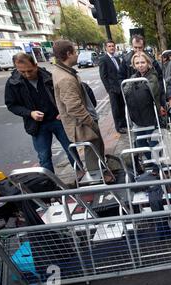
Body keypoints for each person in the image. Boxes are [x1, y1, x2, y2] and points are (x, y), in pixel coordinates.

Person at [4, 53, 78, 174]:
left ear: (36, 65)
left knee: (70, 149)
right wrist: (30, 113)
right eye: (22, 72)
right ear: (16, 68)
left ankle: (79, 173)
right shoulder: (13, 83)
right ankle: (50, 183)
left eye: (30, 70)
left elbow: (62, 94)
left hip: (57, 119)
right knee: (44, 156)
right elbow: (11, 105)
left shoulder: (48, 76)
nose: (27, 75)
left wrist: (62, 111)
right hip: (37, 125)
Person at [51, 40, 110, 180]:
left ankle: (100, 173)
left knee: (94, 147)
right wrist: (91, 122)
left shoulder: (61, 71)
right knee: (92, 149)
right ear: (68, 53)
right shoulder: (65, 78)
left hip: (80, 121)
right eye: (75, 52)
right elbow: (74, 107)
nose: (77, 55)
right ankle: (98, 178)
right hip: (81, 124)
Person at [122, 51, 162, 160]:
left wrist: (134, 90)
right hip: (137, 117)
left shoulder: (152, 76)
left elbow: (146, 94)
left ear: (148, 63)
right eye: (137, 63)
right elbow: (125, 92)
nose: (140, 65)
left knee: (153, 141)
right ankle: (150, 161)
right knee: (140, 143)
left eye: (143, 62)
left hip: (150, 116)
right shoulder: (133, 77)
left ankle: (157, 164)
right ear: (134, 65)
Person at [120, 34, 165, 106]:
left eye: (140, 48)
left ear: (143, 46)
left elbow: (160, 80)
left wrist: (161, 102)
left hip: (150, 101)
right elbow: (121, 79)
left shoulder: (152, 61)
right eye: (135, 47)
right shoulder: (126, 60)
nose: (137, 50)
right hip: (133, 101)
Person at [99, 39, 126, 134]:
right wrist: (109, 89)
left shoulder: (117, 59)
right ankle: (119, 127)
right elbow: (103, 76)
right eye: (109, 46)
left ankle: (124, 124)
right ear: (106, 48)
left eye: (112, 46)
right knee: (116, 109)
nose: (111, 48)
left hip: (120, 87)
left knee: (122, 106)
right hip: (112, 89)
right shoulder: (103, 59)